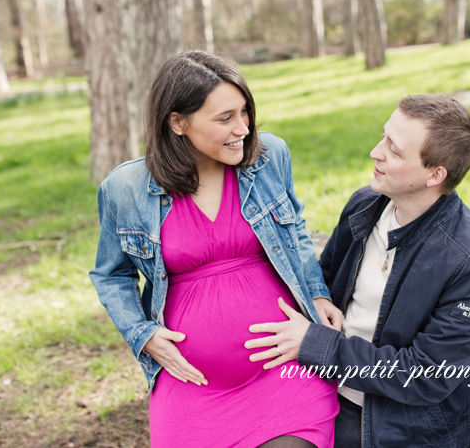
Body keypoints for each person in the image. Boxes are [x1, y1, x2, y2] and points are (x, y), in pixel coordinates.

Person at [89, 50, 342, 448]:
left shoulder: (269, 157)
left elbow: (293, 233)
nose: (242, 128)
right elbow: (111, 274)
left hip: (283, 369)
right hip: (191, 382)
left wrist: (316, 292)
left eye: (244, 112)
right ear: (178, 122)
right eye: (225, 118)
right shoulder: (127, 189)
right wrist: (142, 334)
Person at [246, 95, 470, 448]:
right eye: (384, 137)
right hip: (318, 388)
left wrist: (316, 345)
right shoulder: (365, 206)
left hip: (394, 427)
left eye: (394, 151)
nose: (376, 151)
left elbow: (426, 376)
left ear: (435, 175)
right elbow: (323, 282)